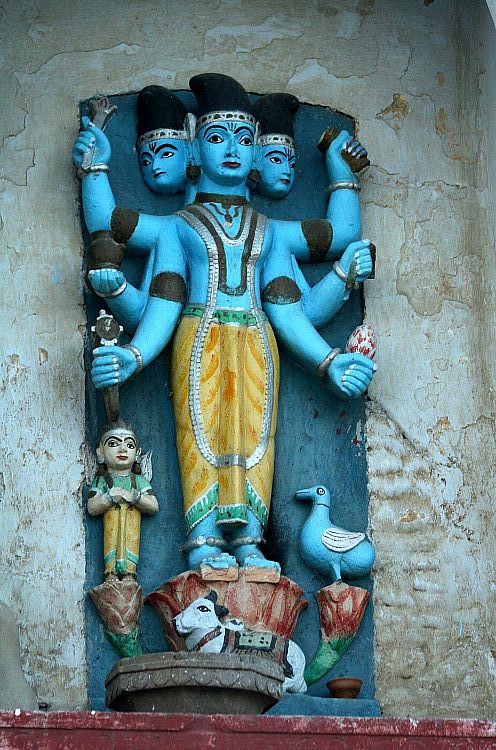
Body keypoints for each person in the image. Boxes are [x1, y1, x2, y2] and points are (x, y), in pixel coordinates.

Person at [89, 74, 376, 575]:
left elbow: (291, 303)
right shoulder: (178, 229)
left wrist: (329, 360)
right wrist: (133, 356)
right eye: (217, 137)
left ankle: (248, 541)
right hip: (199, 339)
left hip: (257, 342)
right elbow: (158, 295)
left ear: (259, 152)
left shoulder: (271, 234)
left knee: (255, 439)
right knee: (200, 434)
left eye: (244, 139)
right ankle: (202, 541)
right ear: (193, 148)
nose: (231, 150)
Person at [87, 422, 158, 578]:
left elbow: (153, 505)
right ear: (101, 451)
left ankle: (129, 574)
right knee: (111, 549)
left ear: (137, 453)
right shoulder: (101, 481)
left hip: (132, 523)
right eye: (113, 444)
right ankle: (110, 574)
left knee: (130, 550)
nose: (123, 449)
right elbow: (92, 507)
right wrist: (109, 497)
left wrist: (135, 497)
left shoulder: (139, 481)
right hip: (112, 522)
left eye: (129, 445)